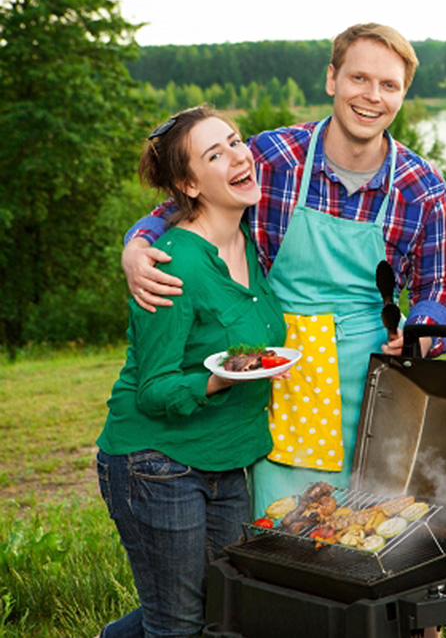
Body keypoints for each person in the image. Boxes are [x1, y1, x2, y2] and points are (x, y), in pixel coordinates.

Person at [119, 24, 446, 513]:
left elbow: (436, 289)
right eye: (358, 78)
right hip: (275, 370)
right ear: (331, 79)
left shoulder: (422, 186)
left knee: (364, 522)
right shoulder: (274, 156)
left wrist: (424, 333)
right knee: (277, 523)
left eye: (389, 85)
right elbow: (188, 200)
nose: (371, 97)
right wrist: (137, 245)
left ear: (403, 94)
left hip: (374, 379)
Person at [96, 105, 287, 638]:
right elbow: (155, 389)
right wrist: (222, 378)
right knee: (178, 623)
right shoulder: (171, 264)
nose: (237, 155)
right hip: (157, 462)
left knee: (220, 608)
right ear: (188, 183)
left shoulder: (250, 244)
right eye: (214, 154)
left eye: (234, 140)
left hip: (228, 460)